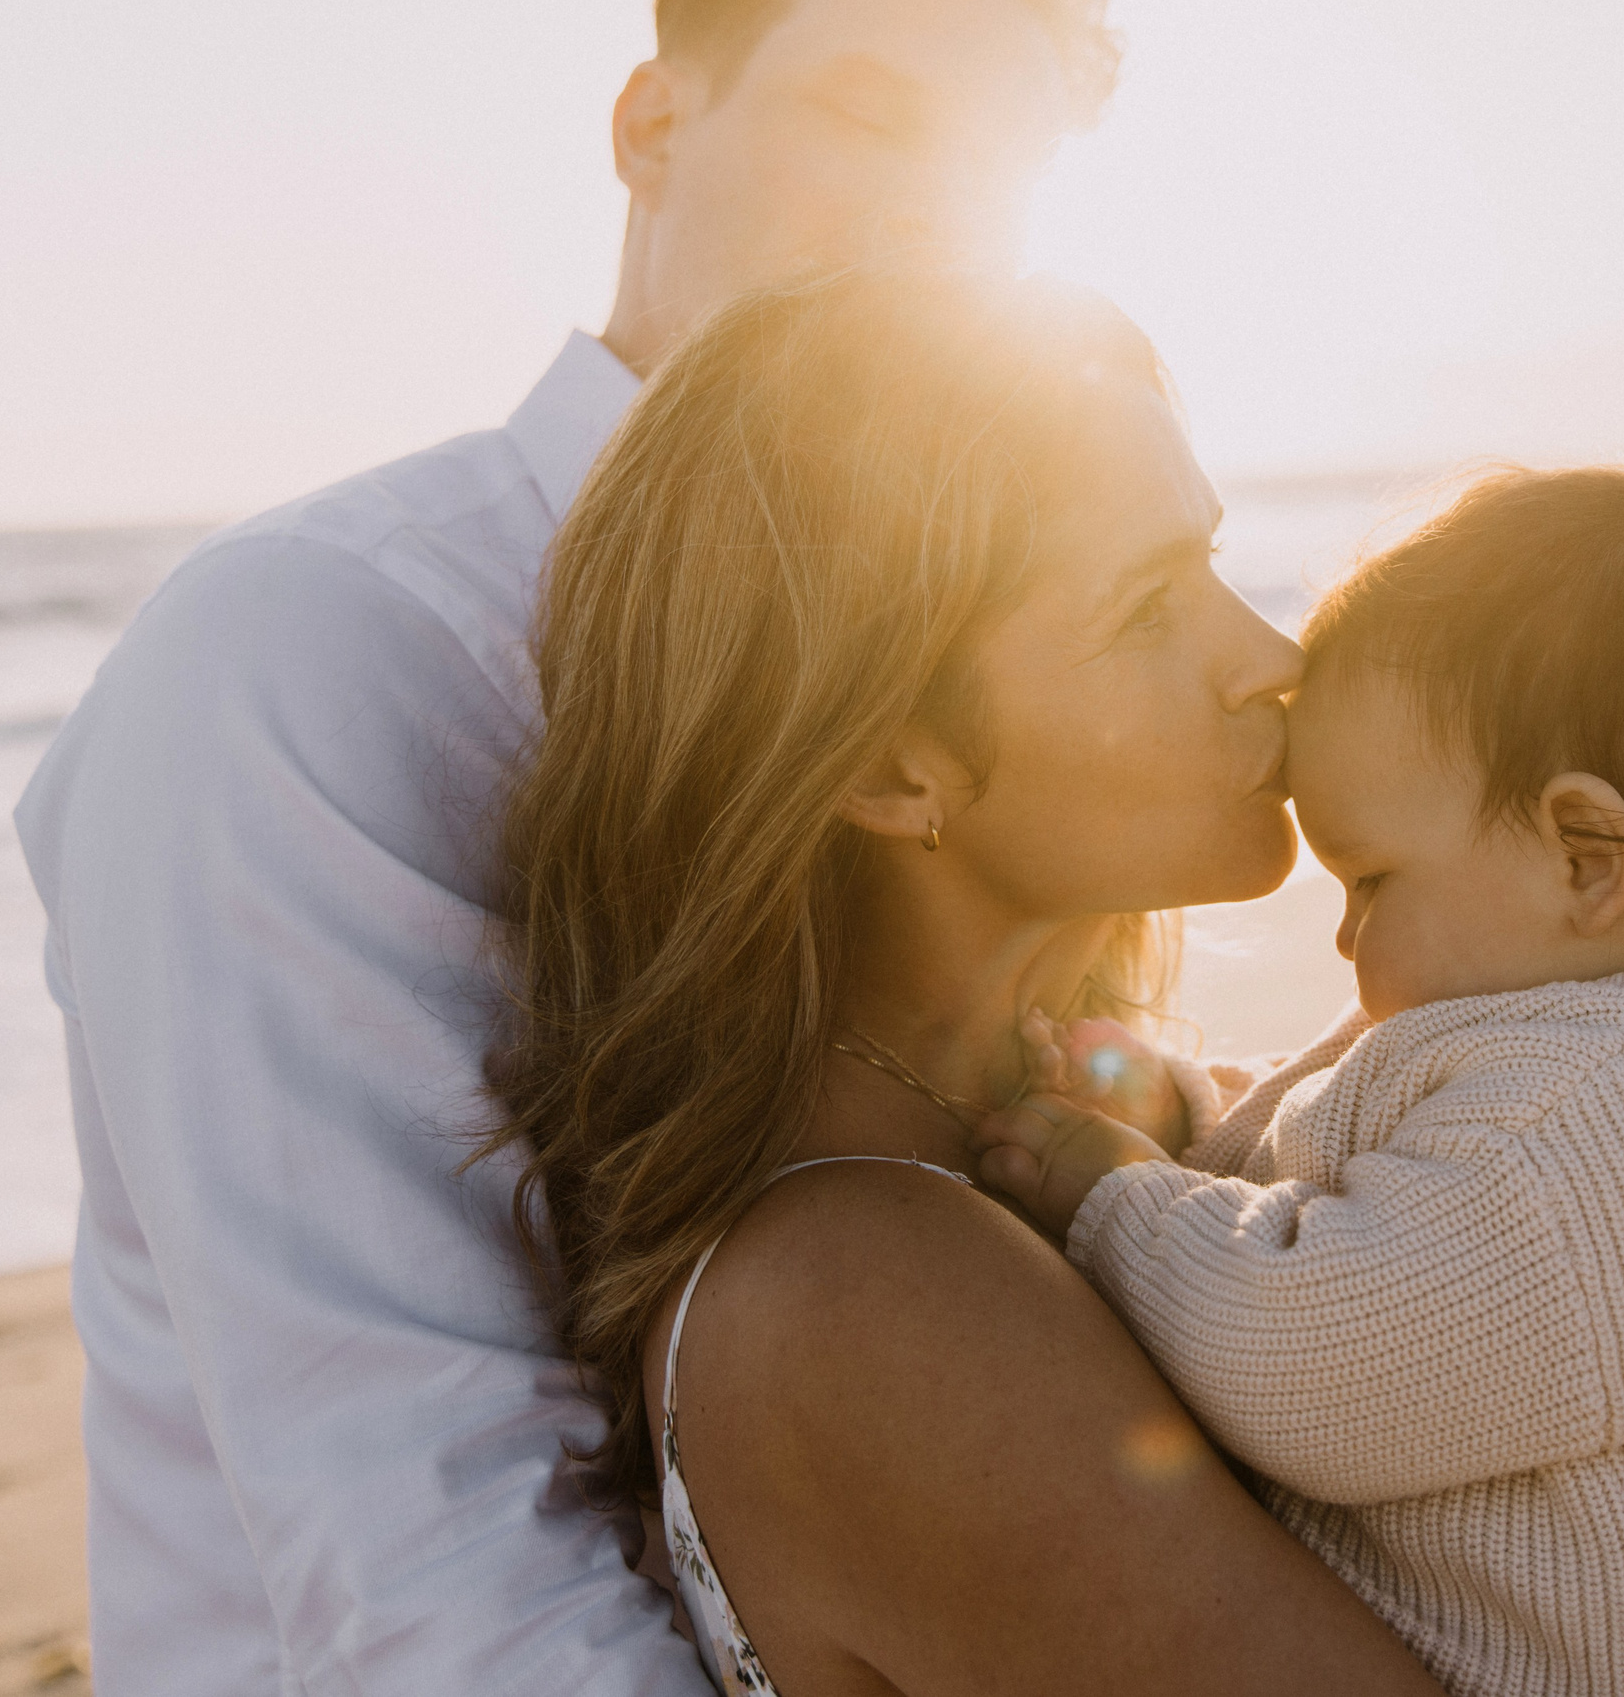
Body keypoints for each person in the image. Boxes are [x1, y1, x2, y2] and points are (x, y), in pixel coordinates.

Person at [14, 0, 1113, 1689]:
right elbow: (441, 1570)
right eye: (874, 119)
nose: (937, 222)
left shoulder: (971, 676)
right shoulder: (319, 656)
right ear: (652, 129)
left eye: (1006, 170)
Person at [488, 268, 1447, 1694]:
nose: (1271, 656)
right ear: (893, 763)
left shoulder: (1047, 1116)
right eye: (1145, 608)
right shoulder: (854, 1299)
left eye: (1211, 563)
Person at [977, 468, 1624, 1695]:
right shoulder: (1618, 1043)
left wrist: (1117, 1191)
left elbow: (1308, 1363)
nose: (1346, 937)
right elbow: (1365, 1156)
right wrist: (1182, 1111)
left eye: (1370, 880)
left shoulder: (1584, 1134)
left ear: (1584, 855)